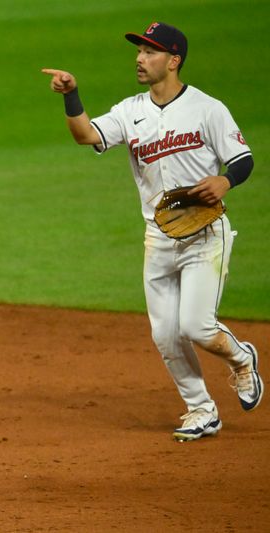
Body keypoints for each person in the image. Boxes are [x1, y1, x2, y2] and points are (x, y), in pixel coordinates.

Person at [42, 22, 263, 441]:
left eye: (150, 52)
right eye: (140, 51)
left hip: (204, 234)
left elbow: (243, 158)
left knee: (196, 327)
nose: (140, 59)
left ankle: (241, 359)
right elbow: (85, 135)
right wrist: (72, 94)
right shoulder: (131, 110)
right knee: (165, 334)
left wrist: (225, 181)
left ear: (174, 60)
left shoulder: (206, 108)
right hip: (158, 238)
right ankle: (201, 409)